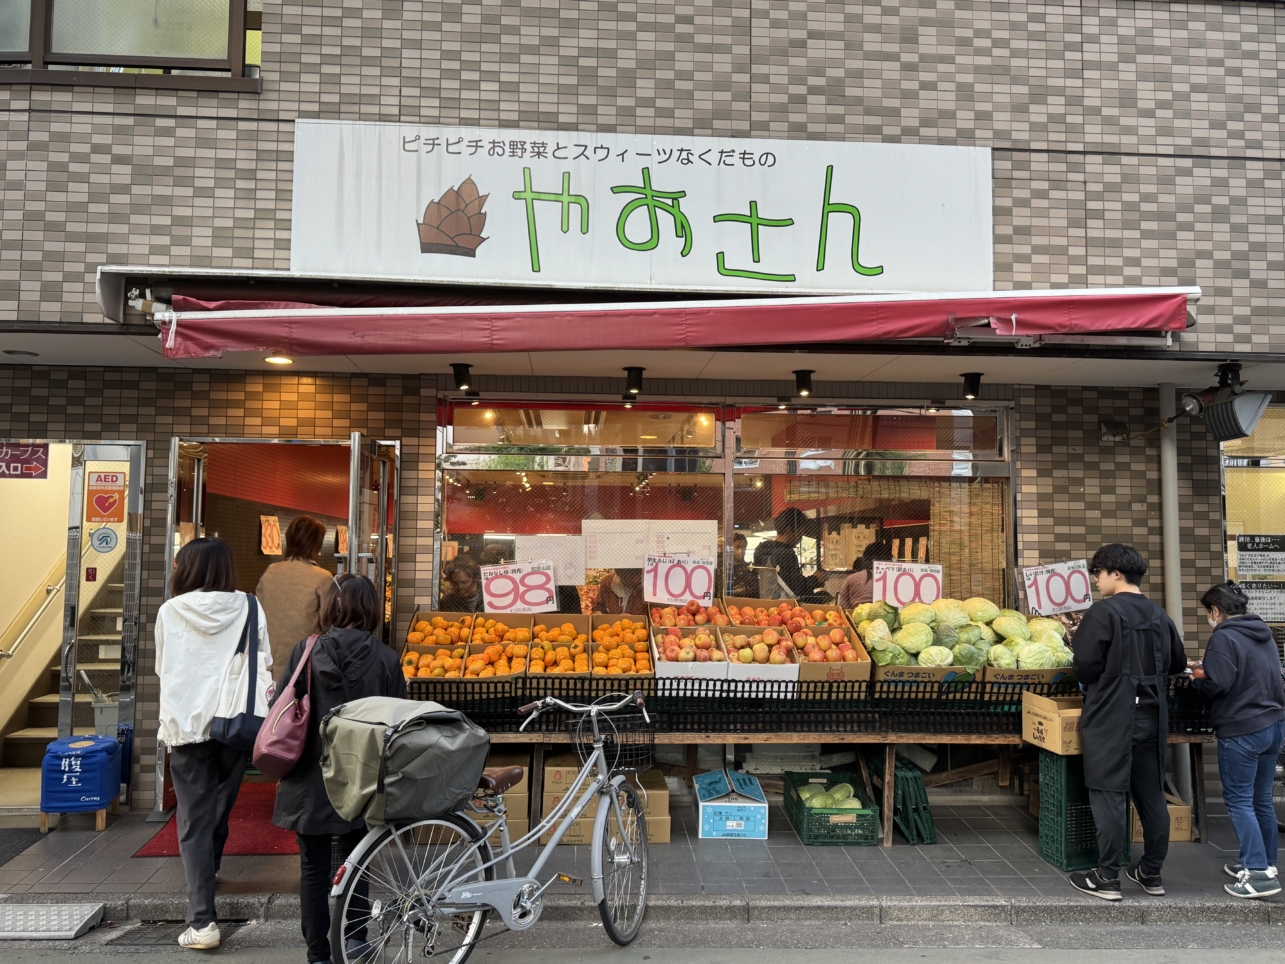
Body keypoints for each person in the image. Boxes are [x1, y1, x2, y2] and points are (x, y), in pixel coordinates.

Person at [271, 573, 406, 963]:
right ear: (371, 609)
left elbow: (283, 704)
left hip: (309, 778)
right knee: (358, 863)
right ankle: (355, 942)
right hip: (361, 777)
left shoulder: (306, 650)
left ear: (332, 606)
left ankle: (318, 955)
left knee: (313, 870)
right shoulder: (385, 658)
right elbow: (398, 723)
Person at [155, 537, 272, 951]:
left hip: (187, 725)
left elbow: (162, 666)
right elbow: (264, 662)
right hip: (235, 723)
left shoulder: (171, 611)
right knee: (220, 807)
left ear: (185, 569)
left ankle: (202, 920)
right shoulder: (250, 606)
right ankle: (211, 868)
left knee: (194, 819)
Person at [1068, 543, 1188, 901]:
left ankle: (1107, 878)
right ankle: (1151, 873)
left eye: (1098, 574)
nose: (1096, 581)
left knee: (1108, 793)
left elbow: (1085, 666)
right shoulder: (1159, 614)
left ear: (1115, 574)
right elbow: (1177, 661)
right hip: (1153, 716)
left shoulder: (1103, 614)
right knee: (1151, 795)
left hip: (1111, 715)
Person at [1192, 581, 1285, 898]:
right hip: (1273, 725)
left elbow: (1218, 684)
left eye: (1208, 612)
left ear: (1216, 610)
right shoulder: (1263, 633)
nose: (1209, 618)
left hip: (1242, 728)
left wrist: (1196, 679)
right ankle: (1264, 863)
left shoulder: (1223, 637)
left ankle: (1258, 874)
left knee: (1239, 801)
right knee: (1261, 799)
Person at [256, 515, 333, 673]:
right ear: (316, 544)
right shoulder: (323, 577)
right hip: (300, 664)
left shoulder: (271, 571)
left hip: (264, 660)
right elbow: (329, 625)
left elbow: (258, 612)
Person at [752, 507, 828, 602]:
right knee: (824, 596)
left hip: (767, 607)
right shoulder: (783, 553)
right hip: (784, 610)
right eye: (800, 533)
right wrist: (816, 579)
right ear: (789, 529)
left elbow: (786, 581)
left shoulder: (765, 549)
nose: (800, 538)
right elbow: (797, 589)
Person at [839, 540, 894, 611]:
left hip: (857, 620)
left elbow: (843, 609)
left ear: (865, 559)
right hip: (890, 620)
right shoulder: (897, 579)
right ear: (889, 560)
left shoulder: (851, 579)